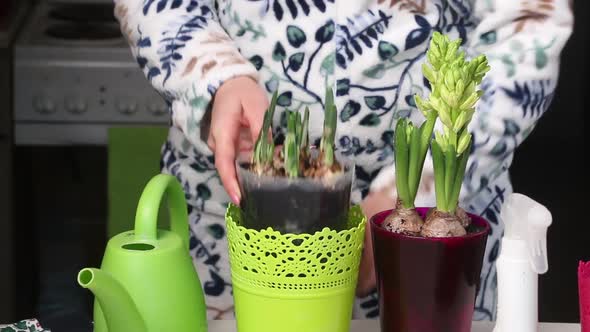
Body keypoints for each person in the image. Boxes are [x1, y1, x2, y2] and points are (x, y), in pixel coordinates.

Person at [114, 0, 573, 320]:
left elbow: (528, 23)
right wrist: (215, 78)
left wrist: (417, 195)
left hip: (433, 236)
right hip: (230, 224)